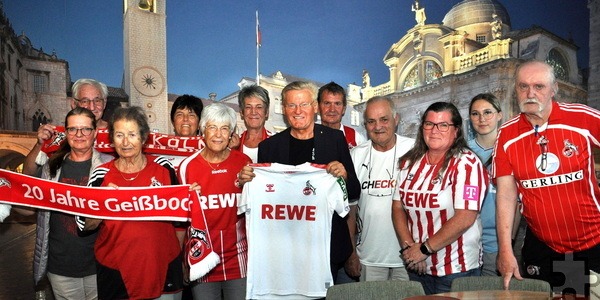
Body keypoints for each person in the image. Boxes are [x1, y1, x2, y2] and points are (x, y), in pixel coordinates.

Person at [493, 60, 600, 296]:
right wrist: (505, 250)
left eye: (539, 86)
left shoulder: (582, 118)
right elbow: (506, 196)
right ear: (515, 90)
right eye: (523, 86)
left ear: (554, 90)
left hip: (592, 244)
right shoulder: (507, 135)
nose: (530, 93)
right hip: (544, 247)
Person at [239, 81, 361, 283]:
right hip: (287, 248)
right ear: (284, 109)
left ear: (314, 107)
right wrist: (248, 180)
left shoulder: (335, 139)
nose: (297, 111)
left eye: (303, 104)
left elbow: (354, 191)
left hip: (327, 245)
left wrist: (344, 175)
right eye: (291, 105)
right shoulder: (269, 147)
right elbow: (265, 196)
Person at [78, 106, 183, 299]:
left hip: (164, 264)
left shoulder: (164, 168)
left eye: (132, 134)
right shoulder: (101, 175)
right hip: (116, 271)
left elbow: (181, 217)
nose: (125, 142)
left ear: (143, 138)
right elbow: (84, 225)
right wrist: (101, 202)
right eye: (119, 135)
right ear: (111, 139)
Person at [15, 107, 113, 299]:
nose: (79, 134)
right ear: (66, 133)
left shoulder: (110, 166)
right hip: (61, 266)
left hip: (101, 263)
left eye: (85, 129)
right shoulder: (51, 167)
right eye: (73, 129)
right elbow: (27, 186)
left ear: (94, 133)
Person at [391, 101, 487, 295]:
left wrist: (424, 250)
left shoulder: (467, 164)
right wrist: (411, 251)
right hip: (418, 266)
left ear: (456, 131)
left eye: (443, 125)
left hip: (456, 269)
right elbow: (398, 208)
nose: (434, 130)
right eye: (429, 124)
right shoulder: (409, 162)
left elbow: (465, 217)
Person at [178, 103, 251, 300]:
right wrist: (183, 261)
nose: (218, 134)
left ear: (231, 134)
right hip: (201, 256)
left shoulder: (244, 163)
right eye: (212, 127)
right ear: (202, 131)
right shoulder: (186, 167)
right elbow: (182, 221)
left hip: (238, 256)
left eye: (224, 128)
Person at [350, 96, 414, 282]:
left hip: (409, 257)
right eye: (371, 121)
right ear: (365, 125)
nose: (378, 126)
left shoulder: (415, 150)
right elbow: (350, 210)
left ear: (396, 119)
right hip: (369, 258)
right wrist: (351, 253)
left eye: (384, 119)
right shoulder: (355, 155)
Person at [22, 78, 110, 176]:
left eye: (97, 100)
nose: (92, 107)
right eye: (85, 101)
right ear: (73, 104)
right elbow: (27, 174)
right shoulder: (57, 136)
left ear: (104, 103)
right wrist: (39, 144)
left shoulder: (119, 135)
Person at [467, 93, 504, 276]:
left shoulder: (511, 148)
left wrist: (508, 243)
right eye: (475, 114)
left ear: (499, 115)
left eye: (487, 112)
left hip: (499, 243)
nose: (482, 119)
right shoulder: (463, 152)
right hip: (467, 242)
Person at [317, 81, 366, 149]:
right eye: (327, 103)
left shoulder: (357, 139)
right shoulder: (307, 135)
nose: (332, 109)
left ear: (344, 109)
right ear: (318, 107)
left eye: (337, 104)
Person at [234, 85, 274, 162]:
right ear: (242, 112)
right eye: (248, 107)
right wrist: (232, 151)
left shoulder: (278, 143)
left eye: (259, 107)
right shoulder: (234, 144)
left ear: (266, 113)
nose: (253, 112)